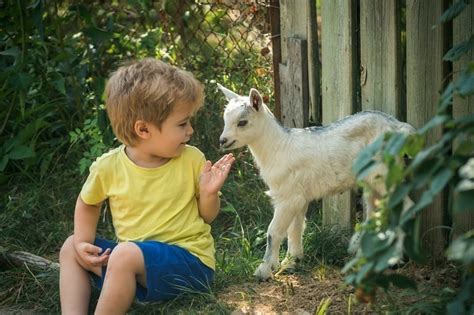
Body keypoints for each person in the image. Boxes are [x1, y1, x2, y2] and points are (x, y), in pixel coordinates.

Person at [59, 58, 235, 314]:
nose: (190, 131)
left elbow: (207, 216)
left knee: (125, 254)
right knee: (70, 246)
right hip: (132, 267)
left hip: (189, 266)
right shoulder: (108, 167)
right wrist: (83, 244)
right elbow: (89, 202)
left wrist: (208, 193)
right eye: (182, 123)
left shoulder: (191, 159)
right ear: (143, 129)